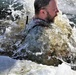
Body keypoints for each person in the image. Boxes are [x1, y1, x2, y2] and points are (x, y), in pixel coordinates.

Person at [14, 0, 62, 66]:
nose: (58, 11)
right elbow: (39, 64)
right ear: (43, 12)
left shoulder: (33, 20)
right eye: (55, 9)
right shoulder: (38, 35)